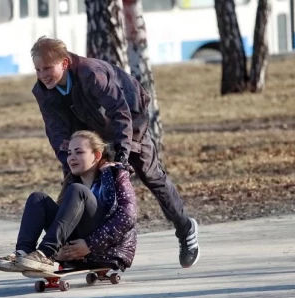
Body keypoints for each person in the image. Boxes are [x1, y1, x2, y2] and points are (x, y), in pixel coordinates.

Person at [29, 36, 200, 268]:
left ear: (65, 63)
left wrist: (122, 154)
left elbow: (120, 111)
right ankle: (75, 247)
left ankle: (185, 227)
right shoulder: (43, 91)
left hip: (130, 120)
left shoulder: (91, 73)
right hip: (87, 125)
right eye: (38, 69)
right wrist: (68, 160)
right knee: (76, 180)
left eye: (48, 68)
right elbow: (56, 131)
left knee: (150, 175)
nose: (43, 74)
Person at [0, 130, 137, 273]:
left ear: (97, 155)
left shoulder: (116, 175)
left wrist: (90, 245)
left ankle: (45, 254)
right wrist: (60, 252)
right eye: (69, 153)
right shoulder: (71, 181)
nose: (72, 158)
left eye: (79, 152)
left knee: (78, 190)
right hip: (75, 247)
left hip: (105, 248)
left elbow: (128, 217)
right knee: (37, 198)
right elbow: (63, 222)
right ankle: (23, 253)